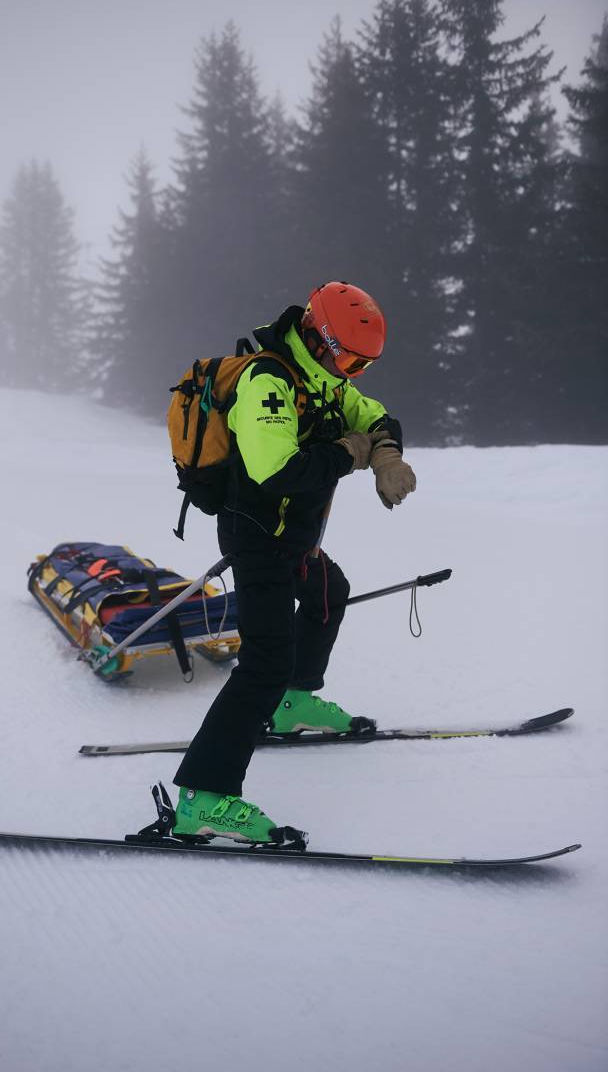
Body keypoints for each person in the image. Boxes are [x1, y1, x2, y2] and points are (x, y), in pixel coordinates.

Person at [172, 281, 416, 846]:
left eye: (364, 363)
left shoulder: (325, 380)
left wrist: (385, 453)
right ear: (319, 336)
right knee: (263, 663)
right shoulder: (269, 383)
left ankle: (292, 703)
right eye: (350, 357)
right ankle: (203, 798)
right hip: (258, 537)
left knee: (331, 593)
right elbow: (274, 471)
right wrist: (350, 452)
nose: (353, 373)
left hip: (296, 538)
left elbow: (375, 415)